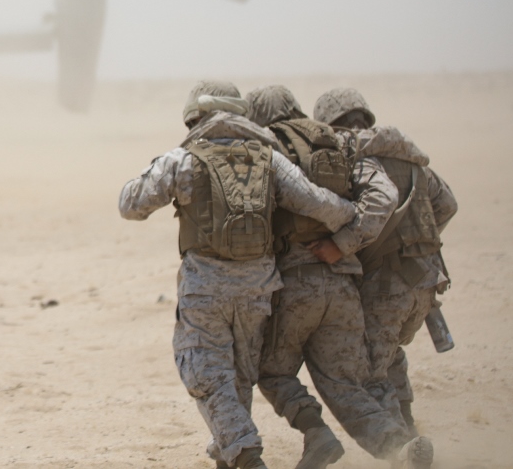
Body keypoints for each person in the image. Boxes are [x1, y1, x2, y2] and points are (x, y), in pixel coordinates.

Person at [118, 81, 357, 469]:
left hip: (206, 288)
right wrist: (353, 224)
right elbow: (319, 203)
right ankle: (231, 455)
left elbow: (130, 204)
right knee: (241, 376)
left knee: (204, 371)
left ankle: (245, 455)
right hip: (259, 287)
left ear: (196, 116)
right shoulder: (268, 156)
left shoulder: (184, 158)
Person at [245, 85, 426, 469]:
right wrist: (344, 243)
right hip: (344, 285)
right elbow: (383, 198)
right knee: (346, 382)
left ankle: (317, 434)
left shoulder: (266, 150)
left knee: (271, 370)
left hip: (296, 284)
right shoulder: (336, 144)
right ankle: (400, 447)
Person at [313, 88, 458, 468]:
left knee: (370, 371)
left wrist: (343, 244)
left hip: (387, 284)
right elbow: (446, 203)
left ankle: (402, 447)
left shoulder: (358, 157)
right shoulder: (408, 157)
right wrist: (415, 241)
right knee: (392, 355)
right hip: (426, 280)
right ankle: (410, 427)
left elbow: (382, 201)